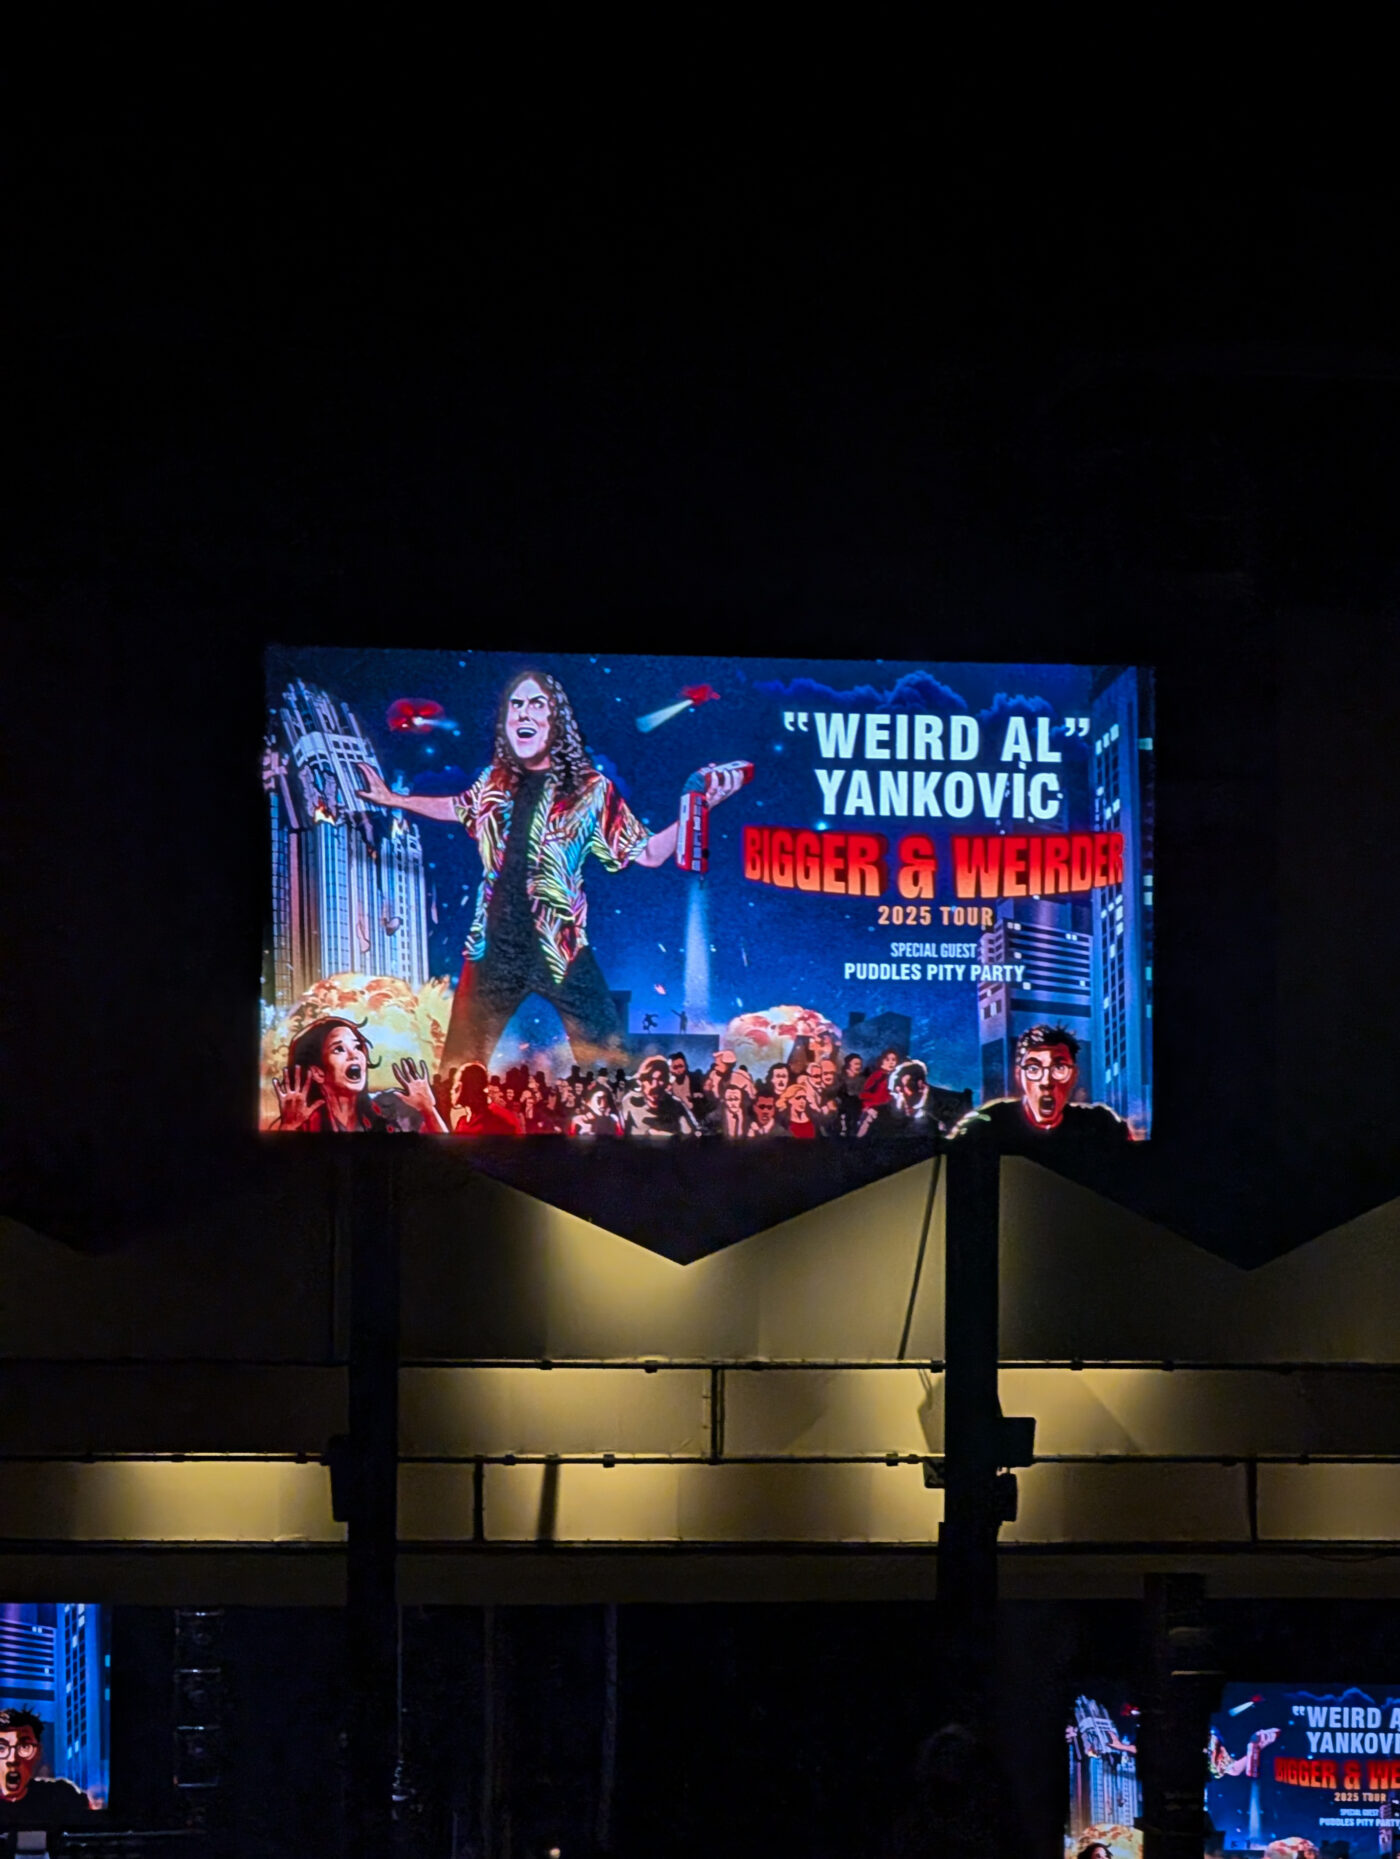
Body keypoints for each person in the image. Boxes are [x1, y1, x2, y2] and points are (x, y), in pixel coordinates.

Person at [356, 669, 746, 1074]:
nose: (524, 713)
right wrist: (394, 799)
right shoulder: (495, 781)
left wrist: (699, 809)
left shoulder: (591, 790)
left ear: (556, 720)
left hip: (561, 946)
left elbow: (647, 853)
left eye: (536, 703)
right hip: (492, 950)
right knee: (457, 1072)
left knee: (609, 1070)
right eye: (516, 705)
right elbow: (458, 806)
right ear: (507, 722)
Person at [952, 1025, 1130, 1146]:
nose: (1046, 1082)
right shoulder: (985, 1125)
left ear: (1074, 1075)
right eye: (1034, 1068)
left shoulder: (1102, 1125)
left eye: (1059, 1067)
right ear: (1019, 1075)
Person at [269, 1018, 447, 1133]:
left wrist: (428, 1110)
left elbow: (449, 1157)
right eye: (338, 1049)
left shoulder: (392, 1108)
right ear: (318, 1072)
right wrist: (289, 1127)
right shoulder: (305, 1123)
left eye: (357, 1047)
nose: (354, 1055)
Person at [0, 1708, 92, 1823]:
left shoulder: (62, 1795)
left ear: (38, 1752)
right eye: (1, 1748)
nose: (13, 1759)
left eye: (24, 1747)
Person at [619, 1056, 701, 1138]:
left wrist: (669, 1139)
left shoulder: (676, 1106)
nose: (655, 1085)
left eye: (661, 1079)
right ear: (640, 1082)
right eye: (649, 1079)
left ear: (666, 1082)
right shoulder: (628, 1103)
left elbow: (692, 1136)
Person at [450, 1062, 525, 1135]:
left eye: (457, 1085)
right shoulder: (462, 1122)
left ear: (471, 1087)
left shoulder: (500, 1118)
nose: (452, 1090)